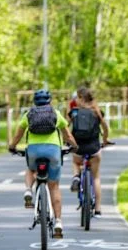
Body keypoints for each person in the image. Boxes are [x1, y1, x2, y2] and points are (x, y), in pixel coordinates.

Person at [8, 89, 78, 237]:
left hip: (33, 151)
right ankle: (58, 221)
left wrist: (12, 146)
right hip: (53, 152)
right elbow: (68, 135)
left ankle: (28, 190)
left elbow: (18, 135)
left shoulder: (28, 115)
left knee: (31, 169)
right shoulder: (56, 114)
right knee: (54, 187)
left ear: (34, 102)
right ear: (49, 101)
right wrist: (74, 146)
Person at [68, 87, 110, 217]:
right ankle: (97, 209)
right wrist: (105, 140)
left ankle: (76, 177)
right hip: (93, 149)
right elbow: (105, 127)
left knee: (75, 162)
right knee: (96, 177)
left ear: (81, 98)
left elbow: (65, 128)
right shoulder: (97, 112)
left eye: (77, 98)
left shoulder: (74, 113)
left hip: (79, 148)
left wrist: (69, 142)